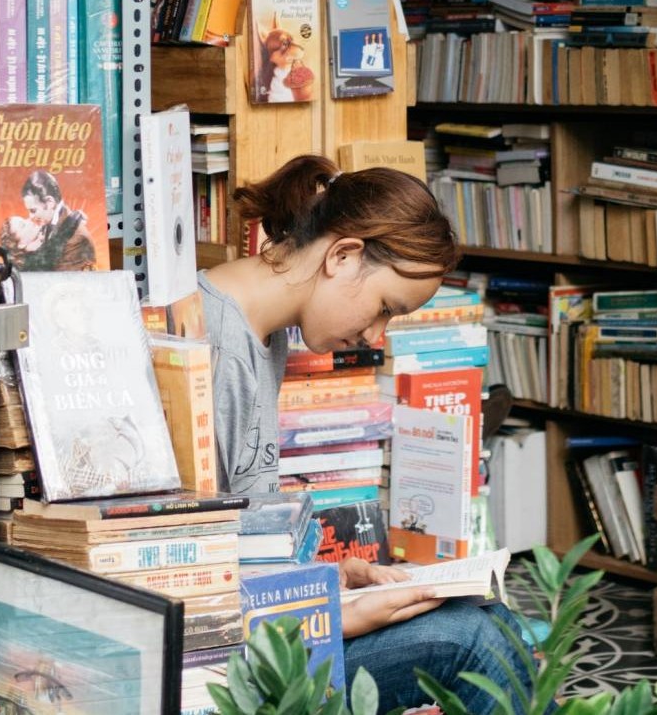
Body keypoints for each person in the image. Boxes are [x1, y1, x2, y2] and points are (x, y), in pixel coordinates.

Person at [199, 155, 543, 713]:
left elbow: (236, 535)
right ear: (342, 255)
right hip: (220, 666)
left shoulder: (264, 332)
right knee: (476, 644)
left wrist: (325, 579)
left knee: (492, 619)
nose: (376, 336)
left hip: (269, 624)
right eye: (385, 308)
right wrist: (332, 614)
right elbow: (176, 577)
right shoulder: (212, 346)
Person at [12, 170, 96, 271]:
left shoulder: (77, 239)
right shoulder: (47, 225)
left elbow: (62, 279)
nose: (30, 217)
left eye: (33, 210)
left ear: (50, 202)